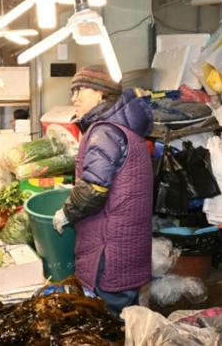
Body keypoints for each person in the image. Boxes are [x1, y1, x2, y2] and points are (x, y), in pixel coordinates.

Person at [52, 64, 153, 316]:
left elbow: (93, 190)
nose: (74, 98)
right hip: (125, 248)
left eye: (80, 90)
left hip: (108, 252)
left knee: (107, 321)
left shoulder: (105, 131)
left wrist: (66, 213)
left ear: (101, 93)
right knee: (126, 320)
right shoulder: (122, 128)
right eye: (73, 91)